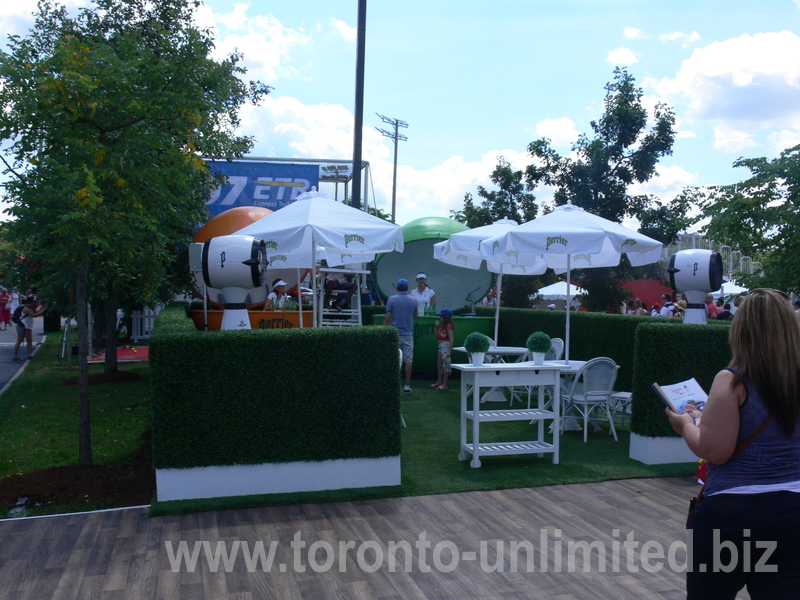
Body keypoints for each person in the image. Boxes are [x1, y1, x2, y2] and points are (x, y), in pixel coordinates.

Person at [667, 288, 800, 598]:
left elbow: (715, 451)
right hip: (793, 511)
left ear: (741, 329)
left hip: (732, 516)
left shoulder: (732, 380)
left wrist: (685, 424)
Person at [384, 278, 419, 393]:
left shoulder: (392, 299)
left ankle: (392, 384)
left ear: (398, 287)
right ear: (407, 288)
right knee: (408, 360)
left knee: (393, 359)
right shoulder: (413, 300)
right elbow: (416, 315)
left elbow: (387, 318)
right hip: (408, 334)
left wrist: (384, 330)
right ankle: (407, 386)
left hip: (395, 333)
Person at [13, 295, 46, 361]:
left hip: (27, 326)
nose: (35, 303)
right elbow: (34, 315)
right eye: (34, 302)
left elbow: (37, 313)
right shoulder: (26, 309)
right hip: (22, 326)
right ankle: (15, 356)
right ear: (30, 302)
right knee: (19, 340)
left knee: (29, 340)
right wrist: (45, 309)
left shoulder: (32, 308)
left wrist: (42, 310)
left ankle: (29, 355)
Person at [430, 308, 454, 391]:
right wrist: (436, 327)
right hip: (440, 346)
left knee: (445, 366)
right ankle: (439, 382)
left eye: (441, 316)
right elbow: (437, 336)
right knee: (439, 364)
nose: (440, 318)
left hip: (445, 346)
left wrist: (449, 351)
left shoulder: (448, 326)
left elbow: (451, 339)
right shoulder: (443, 326)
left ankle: (445, 384)